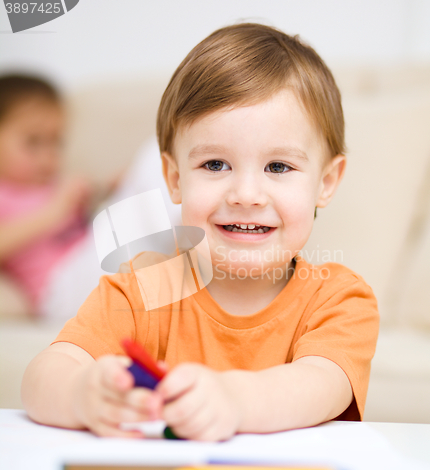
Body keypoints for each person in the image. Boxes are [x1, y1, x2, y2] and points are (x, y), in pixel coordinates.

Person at [21, 23, 380, 442]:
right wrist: (83, 394)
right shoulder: (140, 291)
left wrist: (232, 398)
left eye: (278, 167)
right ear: (174, 178)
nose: (246, 195)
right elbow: (41, 378)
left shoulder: (338, 300)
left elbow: (320, 384)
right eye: (215, 165)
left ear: (326, 182)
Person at [0, 74, 180, 319]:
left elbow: (88, 218)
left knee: (155, 156)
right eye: (33, 142)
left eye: (55, 142)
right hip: (61, 288)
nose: (47, 156)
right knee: (153, 158)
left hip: (90, 255)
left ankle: (195, 237)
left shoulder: (51, 185)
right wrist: (55, 209)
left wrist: (112, 187)